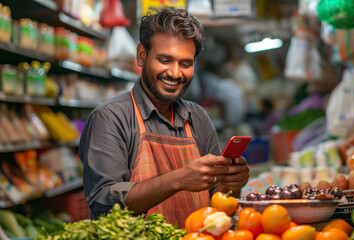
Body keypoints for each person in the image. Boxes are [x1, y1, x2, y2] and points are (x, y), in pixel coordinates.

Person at [78, 7, 250, 228]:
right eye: (165, 60)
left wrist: (231, 183)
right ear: (142, 55)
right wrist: (178, 179)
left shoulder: (197, 118)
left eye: (185, 64)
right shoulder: (110, 118)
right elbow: (105, 202)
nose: (175, 73)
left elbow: (216, 199)